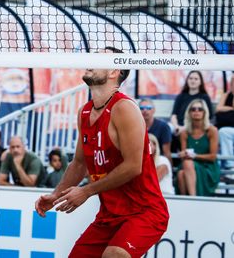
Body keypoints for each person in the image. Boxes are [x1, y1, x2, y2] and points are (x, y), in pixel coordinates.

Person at [35, 47, 169, 258]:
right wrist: (55, 195)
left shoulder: (124, 108)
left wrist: (86, 191)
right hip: (110, 214)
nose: (90, 59)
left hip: (145, 212)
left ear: (114, 71)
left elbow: (134, 166)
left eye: (99, 57)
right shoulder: (85, 112)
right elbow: (79, 164)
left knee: (114, 255)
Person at [177, 100, 220, 196]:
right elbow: (184, 154)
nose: (196, 111)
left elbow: (213, 157)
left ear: (205, 112)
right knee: (181, 173)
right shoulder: (184, 132)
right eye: (193, 109)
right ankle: (189, 200)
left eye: (200, 109)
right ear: (189, 113)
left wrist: (194, 156)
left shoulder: (212, 130)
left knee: (186, 165)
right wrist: (183, 154)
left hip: (208, 167)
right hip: (189, 166)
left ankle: (192, 198)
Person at [170, 71, 213, 139]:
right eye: (190, 78)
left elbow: (209, 117)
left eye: (196, 79)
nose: (193, 81)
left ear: (200, 82)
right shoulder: (180, 96)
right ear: (187, 80)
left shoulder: (205, 97)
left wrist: (185, 128)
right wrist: (176, 127)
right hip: (179, 126)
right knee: (168, 128)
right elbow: (174, 115)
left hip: (196, 126)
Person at [138, 98, 172, 162]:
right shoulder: (134, 126)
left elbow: (166, 152)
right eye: (142, 108)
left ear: (154, 110)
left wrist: (169, 167)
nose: (145, 110)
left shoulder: (163, 126)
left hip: (158, 159)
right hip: (139, 159)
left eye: (148, 108)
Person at [214, 86, 234, 174]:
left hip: (227, 130)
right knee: (217, 133)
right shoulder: (226, 95)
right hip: (223, 127)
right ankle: (217, 168)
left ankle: (229, 165)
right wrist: (231, 109)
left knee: (224, 132)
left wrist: (226, 109)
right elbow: (218, 109)